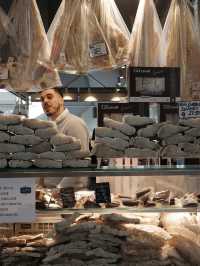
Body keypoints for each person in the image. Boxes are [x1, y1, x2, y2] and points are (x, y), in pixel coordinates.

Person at [40, 87, 90, 189]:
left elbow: (79, 163)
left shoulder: (74, 123)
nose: (45, 101)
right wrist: (39, 186)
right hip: (49, 193)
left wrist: (59, 191)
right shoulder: (47, 127)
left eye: (49, 97)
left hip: (68, 194)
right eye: (42, 99)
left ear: (61, 100)